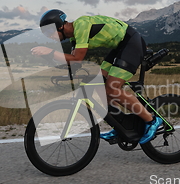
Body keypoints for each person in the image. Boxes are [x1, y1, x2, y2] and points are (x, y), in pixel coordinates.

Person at [31, 9, 162, 144]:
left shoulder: (81, 25)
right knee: (100, 85)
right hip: (119, 48)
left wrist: (51, 52)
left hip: (130, 43)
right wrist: (49, 59)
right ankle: (121, 125)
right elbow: (73, 63)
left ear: (60, 26)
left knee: (112, 88)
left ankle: (151, 120)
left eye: (49, 32)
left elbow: (77, 58)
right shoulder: (73, 38)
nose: (49, 37)